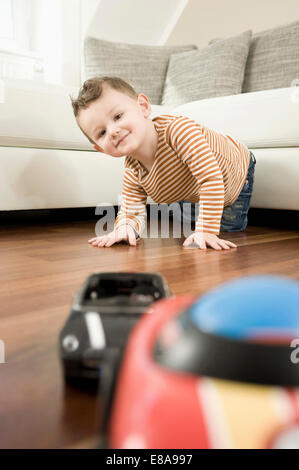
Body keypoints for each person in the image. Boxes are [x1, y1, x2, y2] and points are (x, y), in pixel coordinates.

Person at [71, 76, 256, 250]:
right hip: (191, 187)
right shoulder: (133, 171)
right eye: (101, 133)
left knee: (226, 228)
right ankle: (197, 211)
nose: (112, 131)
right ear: (101, 149)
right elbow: (130, 210)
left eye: (118, 116)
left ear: (143, 107)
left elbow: (211, 179)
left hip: (234, 175)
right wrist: (123, 229)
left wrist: (206, 230)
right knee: (185, 221)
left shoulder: (178, 131)